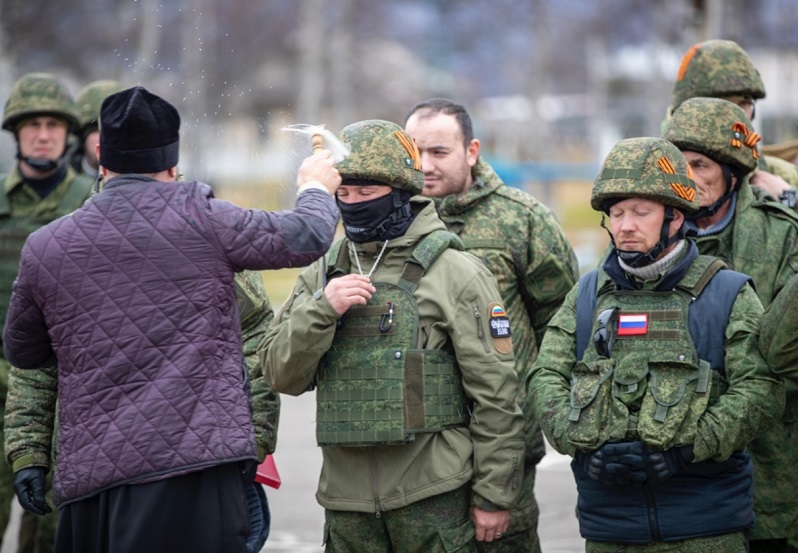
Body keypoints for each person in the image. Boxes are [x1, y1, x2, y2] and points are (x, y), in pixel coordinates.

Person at [2, 85, 340, 553]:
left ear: (102, 162)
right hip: (196, 475)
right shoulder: (206, 219)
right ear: (171, 164)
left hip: (92, 482)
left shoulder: (46, 246)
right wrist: (315, 186)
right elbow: (308, 234)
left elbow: (23, 351)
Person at [259, 119, 525, 552]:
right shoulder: (323, 272)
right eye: (344, 193)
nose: (353, 204)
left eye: (366, 193)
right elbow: (279, 374)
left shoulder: (455, 272)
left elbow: (496, 394)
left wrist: (495, 495)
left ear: (402, 191)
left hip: (434, 497)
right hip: (346, 505)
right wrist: (323, 309)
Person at [526, 136, 784, 552]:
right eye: (617, 213)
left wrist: (687, 450)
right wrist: (583, 447)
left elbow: (760, 389)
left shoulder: (726, 292)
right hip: (611, 528)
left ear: (675, 216)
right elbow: (545, 377)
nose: (625, 225)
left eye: (641, 212)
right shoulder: (588, 294)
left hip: (705, 527)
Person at [404, 98, 578, 553]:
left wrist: (545, 413)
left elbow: (561, 327)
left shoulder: (521, 220)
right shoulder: (388, 221)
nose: (425, 165)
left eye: (439, 152)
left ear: (471, 151)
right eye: (415, 152)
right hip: (413, 449)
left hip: (501, 445)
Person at [663, 97, 798, 553]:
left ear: (732, 174)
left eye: (700, 165)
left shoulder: (782, 235)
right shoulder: (649, 237)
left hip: (773, 466)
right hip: (678, 469)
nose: (687, 177)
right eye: (678, 165)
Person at [0, 72, 95, 553]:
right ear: (16, 133)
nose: (43, 135)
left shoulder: (91, 204)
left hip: (62, 396)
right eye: (32, 125)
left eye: (53, 125)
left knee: (54, 532)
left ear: (67, 134)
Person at [664, 38, 798, 207]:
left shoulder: (780, 174)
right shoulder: (657, 168)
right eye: (723, 105)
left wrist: (791, 198)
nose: (736, 114)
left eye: (744, 103)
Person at [70, 79, 124, 179]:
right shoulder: (60, 180)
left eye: (116, 132)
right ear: (82, 138)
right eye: (98, 131)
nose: (107, 139)